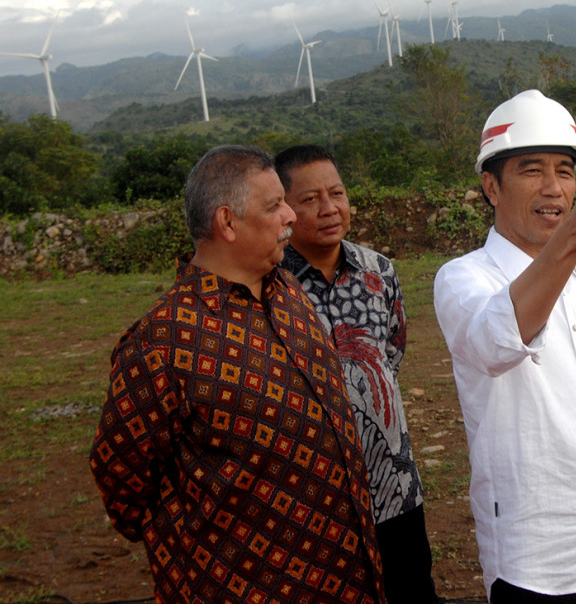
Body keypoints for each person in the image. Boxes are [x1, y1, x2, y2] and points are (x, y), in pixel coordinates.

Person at [89, 145, 385, 604]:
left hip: (345, 574)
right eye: (275, 205)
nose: (290, 215)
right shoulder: (161, 342)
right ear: (227, 222)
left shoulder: (288, 292)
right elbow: (123, 483)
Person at [433, 89, 576, 603]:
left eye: (564, 170)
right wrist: (571, 240)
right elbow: (496, 342)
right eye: (531, 170)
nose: (554, 188)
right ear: (491, 187)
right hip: (535, 566)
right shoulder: (463, 278)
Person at [274, 144, 441, 604]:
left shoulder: (379, 271)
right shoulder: (271, 286)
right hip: (314, 495)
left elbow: (391, 352)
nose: (329, 209)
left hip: (393, 483)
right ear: (284, 208)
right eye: (310, 199)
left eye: (337, 193)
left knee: (412, 590)